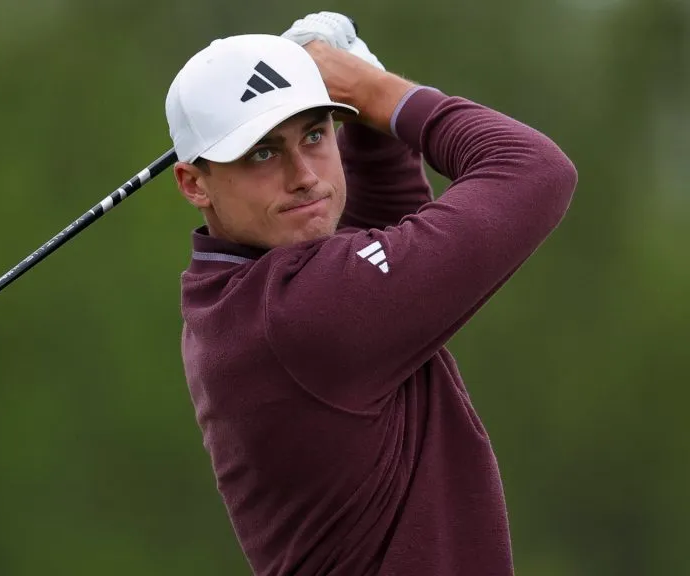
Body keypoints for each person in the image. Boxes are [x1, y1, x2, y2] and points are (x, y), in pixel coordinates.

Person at [165, 12, 577, 576]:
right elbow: (533, 169)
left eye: (315, 135)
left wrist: (366, 114)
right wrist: (371, 90)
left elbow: (384, 222)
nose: (304, 175)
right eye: (263, 153)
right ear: (194, 183)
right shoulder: (303, 315)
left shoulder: (231, 294)